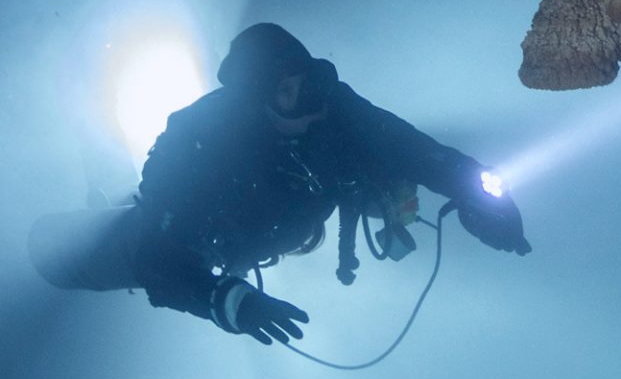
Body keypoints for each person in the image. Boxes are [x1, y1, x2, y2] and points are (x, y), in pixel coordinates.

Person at [29, 22, 529, 345]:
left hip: (291, 215)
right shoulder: (199, 142)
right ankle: (79, 226)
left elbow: (409, 147)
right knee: (108, 249)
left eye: (312, 82)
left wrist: (478, 190)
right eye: (292, 93)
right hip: (207, 233)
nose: (314, 103)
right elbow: (158, 260)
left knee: (377, 168)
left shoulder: (334, 106)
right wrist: (233, 302)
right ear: (257, 102)